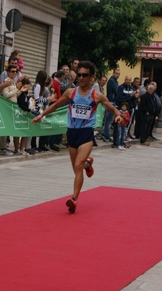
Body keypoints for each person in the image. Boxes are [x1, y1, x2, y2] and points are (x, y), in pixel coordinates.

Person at [32, 60, 123, 214]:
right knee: (77, 167)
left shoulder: (96, 95)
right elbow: (55, 105)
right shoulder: (70, 93)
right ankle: (88, 164)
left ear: (91, 77)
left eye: (85, 75)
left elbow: (112, 108)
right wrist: (41, 115)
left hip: (86, 133)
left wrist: (118, 116)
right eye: (79, 74)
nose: (81, 78)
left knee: (78, 164)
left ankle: (74, 199)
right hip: (72, 133)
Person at [117, 75, 138, 141]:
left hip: (131, 108)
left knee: (130, 122)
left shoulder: (132, 88)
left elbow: (133, 98)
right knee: (122, 122)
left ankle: (127, 134)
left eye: (129, 80)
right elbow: (120, 98)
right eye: (127, 79)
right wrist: (130, 95)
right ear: (124, 80)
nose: (128, 81)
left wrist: (135, 96)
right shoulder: (120, 87)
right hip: (123, 109)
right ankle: (121, 136)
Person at [103, 68, 120, 143]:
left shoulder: (115, 81)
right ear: (113, 73)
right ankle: (106, 136)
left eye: (118, 74)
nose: (117, 75)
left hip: (113, 102)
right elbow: (117, 90)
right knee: (109, 120)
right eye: (116, 73)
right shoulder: (112, 81)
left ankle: (107, 135)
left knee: (110, 120)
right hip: (111, 102)